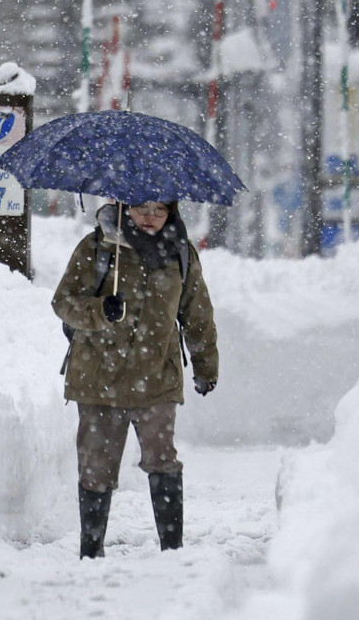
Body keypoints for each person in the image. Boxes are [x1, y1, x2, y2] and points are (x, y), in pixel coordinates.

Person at [52, 199, 219, 558]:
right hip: (98, 378)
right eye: (142, 208)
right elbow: (63, 302)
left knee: (163, 460)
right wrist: (99, 310)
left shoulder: (181, 253)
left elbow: (197, 312)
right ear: (125, 207)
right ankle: (90, 551)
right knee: (96, 468)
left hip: (157, 376)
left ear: (171, 213)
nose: (150, 217)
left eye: (160, 210)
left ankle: (172, 550)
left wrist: (206, 367)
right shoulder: (97, 247)